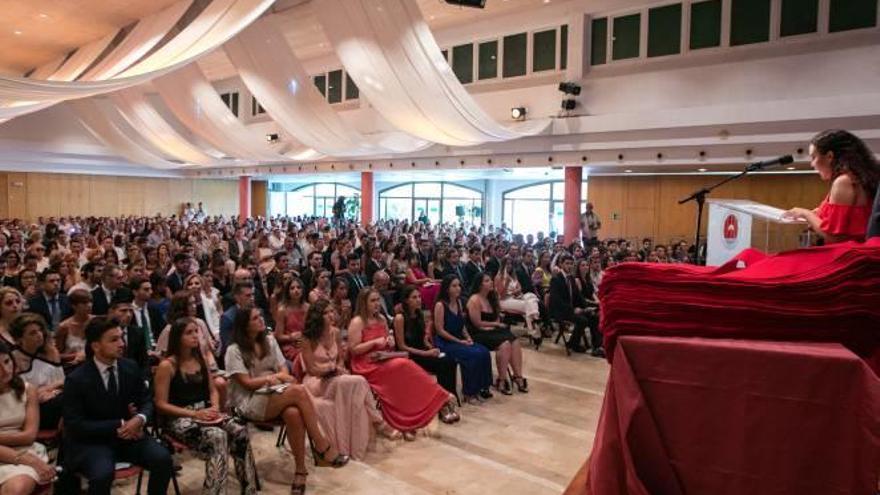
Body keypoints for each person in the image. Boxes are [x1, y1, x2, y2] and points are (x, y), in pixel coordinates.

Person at [224, 306, 349, 495]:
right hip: (248, 401)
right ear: (245, 325)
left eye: (261, 315)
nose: (261, 319)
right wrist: (271, 379)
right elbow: (247, 383)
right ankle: (322, 446)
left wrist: (278, 378)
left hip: (274, 393)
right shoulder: (234, 350)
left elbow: (283, 369)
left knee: (294, 413)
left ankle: (300, 472)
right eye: (255, 318)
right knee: (298, 391)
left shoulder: (268, 340)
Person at [60, 316, 174, 495]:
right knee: (102, 475)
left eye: (121, 337)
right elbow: (75, 425)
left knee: (163, 459)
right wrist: (120, 424)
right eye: (114, 340)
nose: (121, 343)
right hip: (93, 442)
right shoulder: (77, 379)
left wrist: (140, 418)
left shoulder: (130, 367)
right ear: (96, 346)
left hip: (130, 435)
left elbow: (146, 400)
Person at [153, 318, 256, 495]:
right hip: (179, 418)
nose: (195, 336)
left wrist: (215, 407)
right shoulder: (167, 365)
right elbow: (161, 404)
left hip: (205, 412)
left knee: (239, 430)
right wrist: (194, 414)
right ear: (178, 337)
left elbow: (212, 390)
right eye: (189, 332)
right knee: (217, 437)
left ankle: (249, 489)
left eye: (196, 332)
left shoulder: (199, 358)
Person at [348, 288, 455, 440]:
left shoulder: (382, 320)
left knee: (404, 372)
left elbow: (386, 345)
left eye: (378, 300)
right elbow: (353, 350)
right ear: (363, 303)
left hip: (382, 359)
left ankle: (409, 421)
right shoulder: (358, 322)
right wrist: (374, 342)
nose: (377, 304)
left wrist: (389, 343)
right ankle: (439, 396)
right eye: (372, 301)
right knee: (403, 366)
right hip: (366, 364)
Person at [301, 299, 400, 460]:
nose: (331, 315)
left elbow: (340, 359)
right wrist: (331, 369)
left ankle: (364, 435)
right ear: (317, 316)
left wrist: (339, 368)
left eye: (332, 311)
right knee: (359, 381)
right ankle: (378, 421)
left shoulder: (336, 332)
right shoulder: (306, 338)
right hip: (315, 381)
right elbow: (311, 368)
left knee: (355, 385)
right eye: (326, 313)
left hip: (335, 378)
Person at [783, 129, 879, 243]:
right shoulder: (859, 177)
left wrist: (806, 214)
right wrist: (817, 215)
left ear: (829, 156)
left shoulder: (844, 182)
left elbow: (833, 237)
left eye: (814, 157)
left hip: (847, 253)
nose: (811, 164)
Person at [392, 286, 460, 415]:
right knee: (442, 364)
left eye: (419, 297)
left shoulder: (419, 314)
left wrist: (430, 346)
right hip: (409, 355)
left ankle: (448, 397)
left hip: (422, 350)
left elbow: (423, 338)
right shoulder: (400, 318)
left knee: (450, 360)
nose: (418, 300)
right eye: (414, 297)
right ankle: (442, 403)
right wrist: (425, 353)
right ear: (406, 300)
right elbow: (401, 346)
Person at [0, 341, 55, 493]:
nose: (5, 370)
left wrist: (26, 459)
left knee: (17, 488)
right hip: (21, 457)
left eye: (6, 361)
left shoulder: (28, 389)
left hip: (24, 450)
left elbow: (29, 436)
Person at [433, 275, 493, 405]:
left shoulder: (459, 302)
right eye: (454, 286)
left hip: (459, 339)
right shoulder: (440, 305)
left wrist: (468, 337)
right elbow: (440, 330)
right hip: (445, 343)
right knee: (472, 355)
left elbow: (462, 325)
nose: (458, 288)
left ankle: (482, 387)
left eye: (459, 285)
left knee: (483, 351)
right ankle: (469, 393)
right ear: (447, 289)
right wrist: (459, 341)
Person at [466, 273, 528, 395]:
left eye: (490, 280)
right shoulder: (474, 300)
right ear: (479, 285)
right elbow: (477, 323)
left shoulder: (492, 297)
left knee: (514, 341)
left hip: (492, 330)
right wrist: (494, 325)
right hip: (478, 332)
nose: (491, 282)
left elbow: (497, 318)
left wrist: (495, 325)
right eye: (487, 281)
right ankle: (502, 379)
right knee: (504, 344)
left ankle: (518, 376)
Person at [9, 313, 65, 430]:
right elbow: (21, 397)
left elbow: (63, 382)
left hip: (56, 398)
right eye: (32, 333)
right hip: (31, 411)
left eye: (40, 330)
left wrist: (51, 391)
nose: (39, 335)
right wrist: (46, 391)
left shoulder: (50, 352)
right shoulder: (13, 359)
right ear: (19, 339)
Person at [549, 255, 604, 356]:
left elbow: (578, 297)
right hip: (560, 311)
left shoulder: (570, 278)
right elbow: (557, 301)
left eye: (571, 264)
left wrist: (585, 307)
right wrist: (572, 310)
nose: (569, 266)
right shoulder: (556, 279)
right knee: (582, 320)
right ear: (561, 264)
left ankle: (597, 347)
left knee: (594, 316)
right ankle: (573, 343)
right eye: (567, 263)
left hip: (571, 309)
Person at [494, 258, 541, 341]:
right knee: (528, 305)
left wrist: (516, 291)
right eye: (507, 264)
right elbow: (502, 296)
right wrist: (507, 283)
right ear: (503, 265)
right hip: (504, 301)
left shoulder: (513, 275)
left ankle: (533, 321)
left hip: (515, 297)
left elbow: (520, 288)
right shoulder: (499, 277)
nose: (509, 266)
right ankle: (534, 321)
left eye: (510, 264)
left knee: (532, 296)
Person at [274, 278, 308, 362]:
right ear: (287, 292)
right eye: (292, 288)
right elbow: (278, 336)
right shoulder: (282, 310)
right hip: (290, 345)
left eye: (298, 287)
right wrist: (291, 337)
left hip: (306, 342)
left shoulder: (308, 307)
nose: (296, 290)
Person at [55, 289, 93, 366]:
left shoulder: (96, 321)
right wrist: (76, 355)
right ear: (74, 306)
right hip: (72, 366)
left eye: (90, 302)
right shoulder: (64, 327)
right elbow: (57, 355)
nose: (89, 305)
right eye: (84, 303)